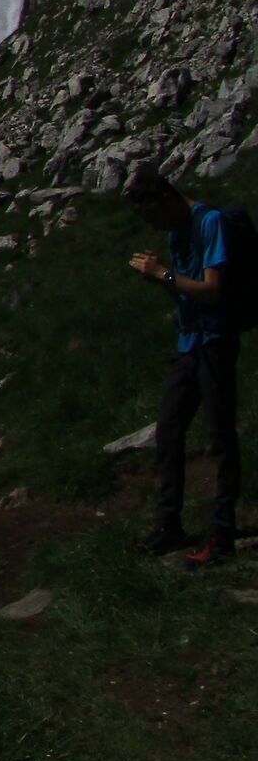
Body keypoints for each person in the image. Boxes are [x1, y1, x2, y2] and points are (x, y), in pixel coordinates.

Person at [124, 164, 239, 564]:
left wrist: (165, 275)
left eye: (154, 216)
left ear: (168, 198)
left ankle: (222, 531)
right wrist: (163, 280)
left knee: (221, 434)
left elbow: (213, 289)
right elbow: (185, 296)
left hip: (215, 340)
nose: (154, 226)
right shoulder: (176, 233)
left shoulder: (210, 223)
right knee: (169, 431)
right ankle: (168, 524)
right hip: (188, 340)